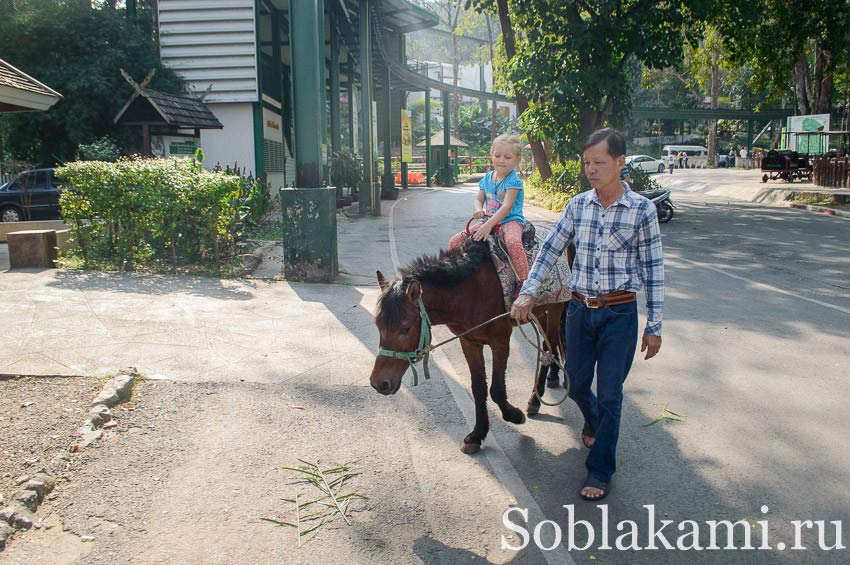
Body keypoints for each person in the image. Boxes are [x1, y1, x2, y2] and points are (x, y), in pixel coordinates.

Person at [511, 128, 664, 501]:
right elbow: (549, 250)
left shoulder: (642, 210)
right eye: (586, 163)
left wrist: (654, 325)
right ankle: (593, 420)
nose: (591, 170)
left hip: (619, 314)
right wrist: (528, 291)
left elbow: (655, 269)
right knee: (577, 384)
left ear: (619, 162)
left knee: (611, 393)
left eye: (598, 162)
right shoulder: (578, 205)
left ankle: (600, 468)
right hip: (579, 311)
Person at [448, 133, 528, 288]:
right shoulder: (487, 178)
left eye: (507, 157)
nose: (501, 161)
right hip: (487, 221)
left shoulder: (514, 181)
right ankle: (459, 276)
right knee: (454, 242)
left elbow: (507, 207)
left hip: (510, 221)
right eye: (497, 156)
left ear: (517, 159)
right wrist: (478, 209)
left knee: (513, 243)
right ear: (491, 155)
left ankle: (525, 283)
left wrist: (488, 225)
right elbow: (479, 199)